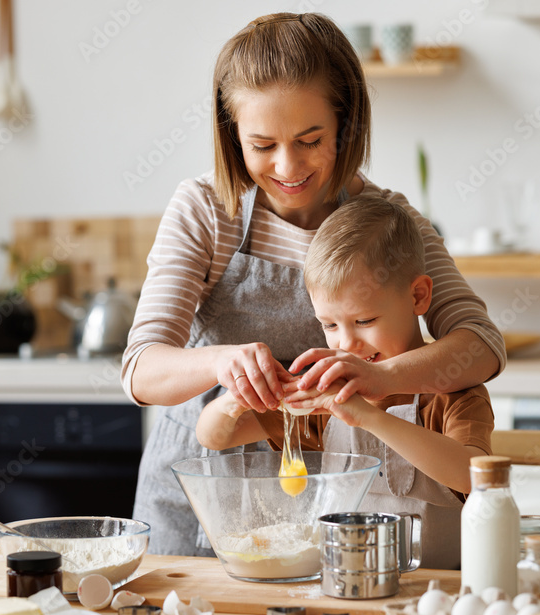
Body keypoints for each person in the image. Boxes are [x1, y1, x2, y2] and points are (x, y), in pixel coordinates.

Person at [121, 12, 505, 557]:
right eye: (261, 144)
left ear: (346, 124)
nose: (287, 165)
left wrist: (374, 380)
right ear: (233, 135)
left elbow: (482, 347)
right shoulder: (207, 210)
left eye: (310, 139)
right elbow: (140, 369)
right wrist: (220, 365)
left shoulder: (386, 224)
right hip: (197, 498)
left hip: (318, 515)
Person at [195, 197, 494, 569]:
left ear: (418, 296)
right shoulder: (324, 394)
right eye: (330, 325)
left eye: (365, 321)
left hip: (441, 595)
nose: (346, 344)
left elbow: (474, 476)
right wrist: (237, 397)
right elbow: (214, 437)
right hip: (345, 588)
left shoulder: (453, 390)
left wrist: (369, 416)